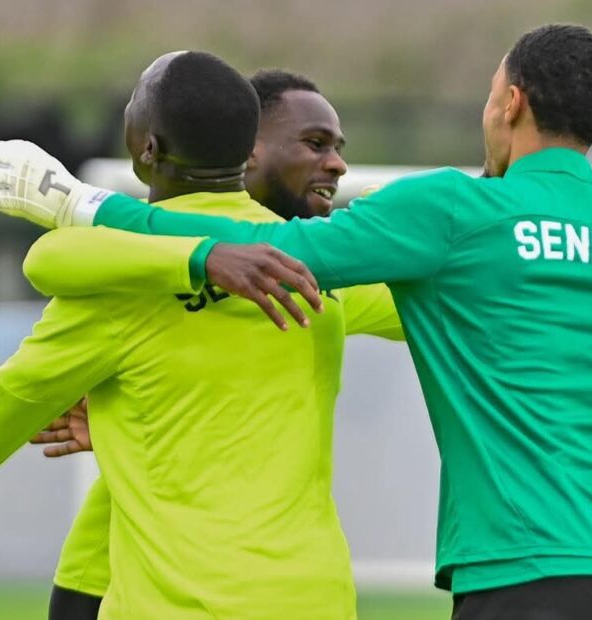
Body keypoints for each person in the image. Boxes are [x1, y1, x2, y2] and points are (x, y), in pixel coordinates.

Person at [0, 26, 592, 620]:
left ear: (511, 103)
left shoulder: (453, 212)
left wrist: (81, 204)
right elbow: (543, 317)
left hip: (535, 567)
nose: (331, 164)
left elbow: (271, 250)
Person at [0, 52, 406, 620]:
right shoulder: (321, 273)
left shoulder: (117, 281)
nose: (334, 163)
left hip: (183, 604)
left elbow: (2, 410)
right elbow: (417, 306)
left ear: (146, 147)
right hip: (314, 598)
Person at [40, 68, 371, 620]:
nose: (336, 163)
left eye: (336, 148)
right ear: (244, 152)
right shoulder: (138, 267)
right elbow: (48, 260)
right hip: (108, 577)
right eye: (314, 144)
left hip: (262, 588)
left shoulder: (321, 281)